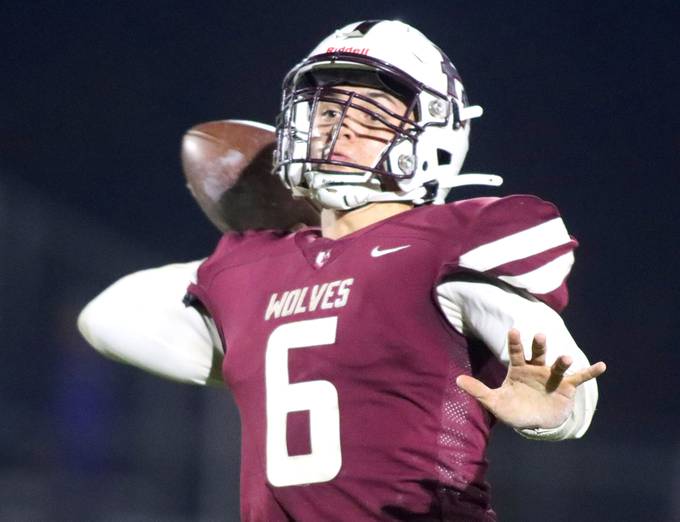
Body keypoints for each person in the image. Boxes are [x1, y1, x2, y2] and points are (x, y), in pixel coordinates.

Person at [78, 20, 606, 521]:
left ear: (435, 136)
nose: (340, 130)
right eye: (326, 113)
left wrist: (552, 415)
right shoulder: (253, 266)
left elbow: (565, 384)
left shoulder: (453, 241)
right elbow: (104, 317)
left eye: (373, 116)